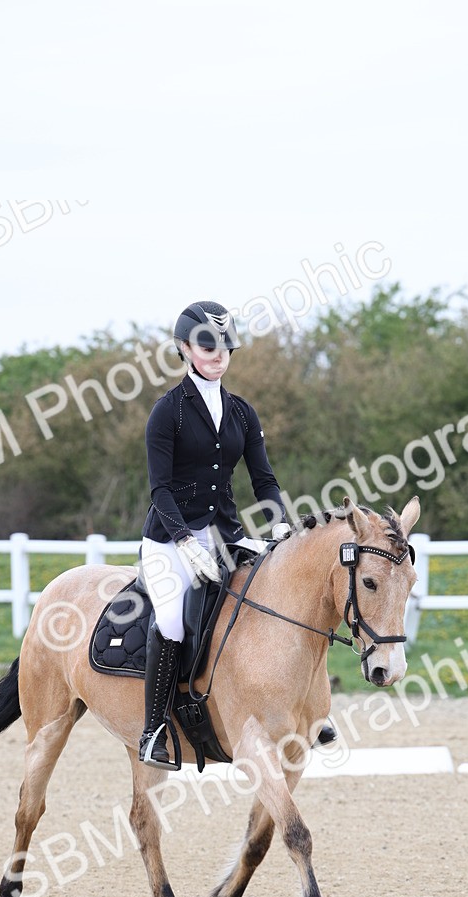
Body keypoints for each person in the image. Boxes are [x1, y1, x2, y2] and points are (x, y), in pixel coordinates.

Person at [138, 300, 334, 767]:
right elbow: (159, 489)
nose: (218, 355)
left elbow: (263, 480)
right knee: (169, 620)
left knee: (285, 599)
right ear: (184, 348)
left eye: (225, 347)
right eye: (207, 347)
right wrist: (185, 540)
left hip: (227, 535)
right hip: (170, 540)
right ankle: (154, 729)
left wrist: (282, 525)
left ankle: (310, 710)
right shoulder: (168, 412)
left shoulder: (242, 413)